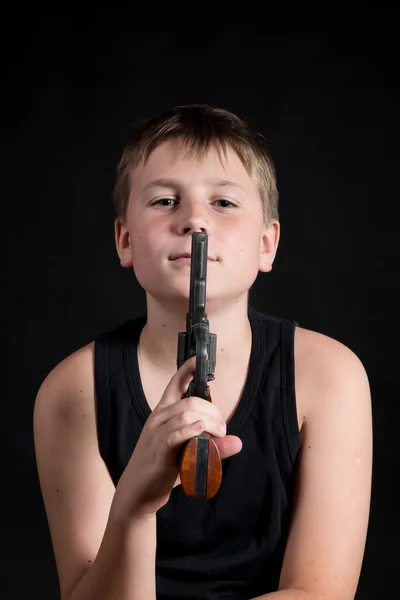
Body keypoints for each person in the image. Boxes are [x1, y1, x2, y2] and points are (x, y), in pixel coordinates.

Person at [33, 104, 372, 600]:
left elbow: (319, 593)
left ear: (267, 244)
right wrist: (135, 506)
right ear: (125, 240)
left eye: (225, 204)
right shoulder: (73, 392)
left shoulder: (330, 376)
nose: (194, 221)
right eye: (166, 201)